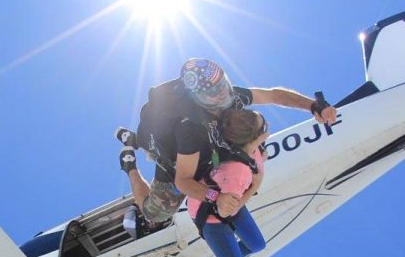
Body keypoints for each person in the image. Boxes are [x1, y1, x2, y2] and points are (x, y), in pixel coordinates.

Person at [116, 58, 338, 229]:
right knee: (157, 212)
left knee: (253, 144)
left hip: (206, 148)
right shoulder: (191, 128)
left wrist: (312, 106)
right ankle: (129, 161)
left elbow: (273, 96)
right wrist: (215, 197)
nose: (223, 95)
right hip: (176, 159)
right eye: (215, 93)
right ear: (199, 98)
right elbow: (183, 181)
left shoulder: (231, 97)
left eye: (223, 85)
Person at [161, 107, 270, 257]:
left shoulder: (246, 147)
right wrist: (254, 186)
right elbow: (225, 211)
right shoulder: (238, 172)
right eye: (265, 127)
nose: (268, 128)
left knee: (257, 244)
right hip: (211, 216)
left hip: (227, 199)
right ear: (256, 137)